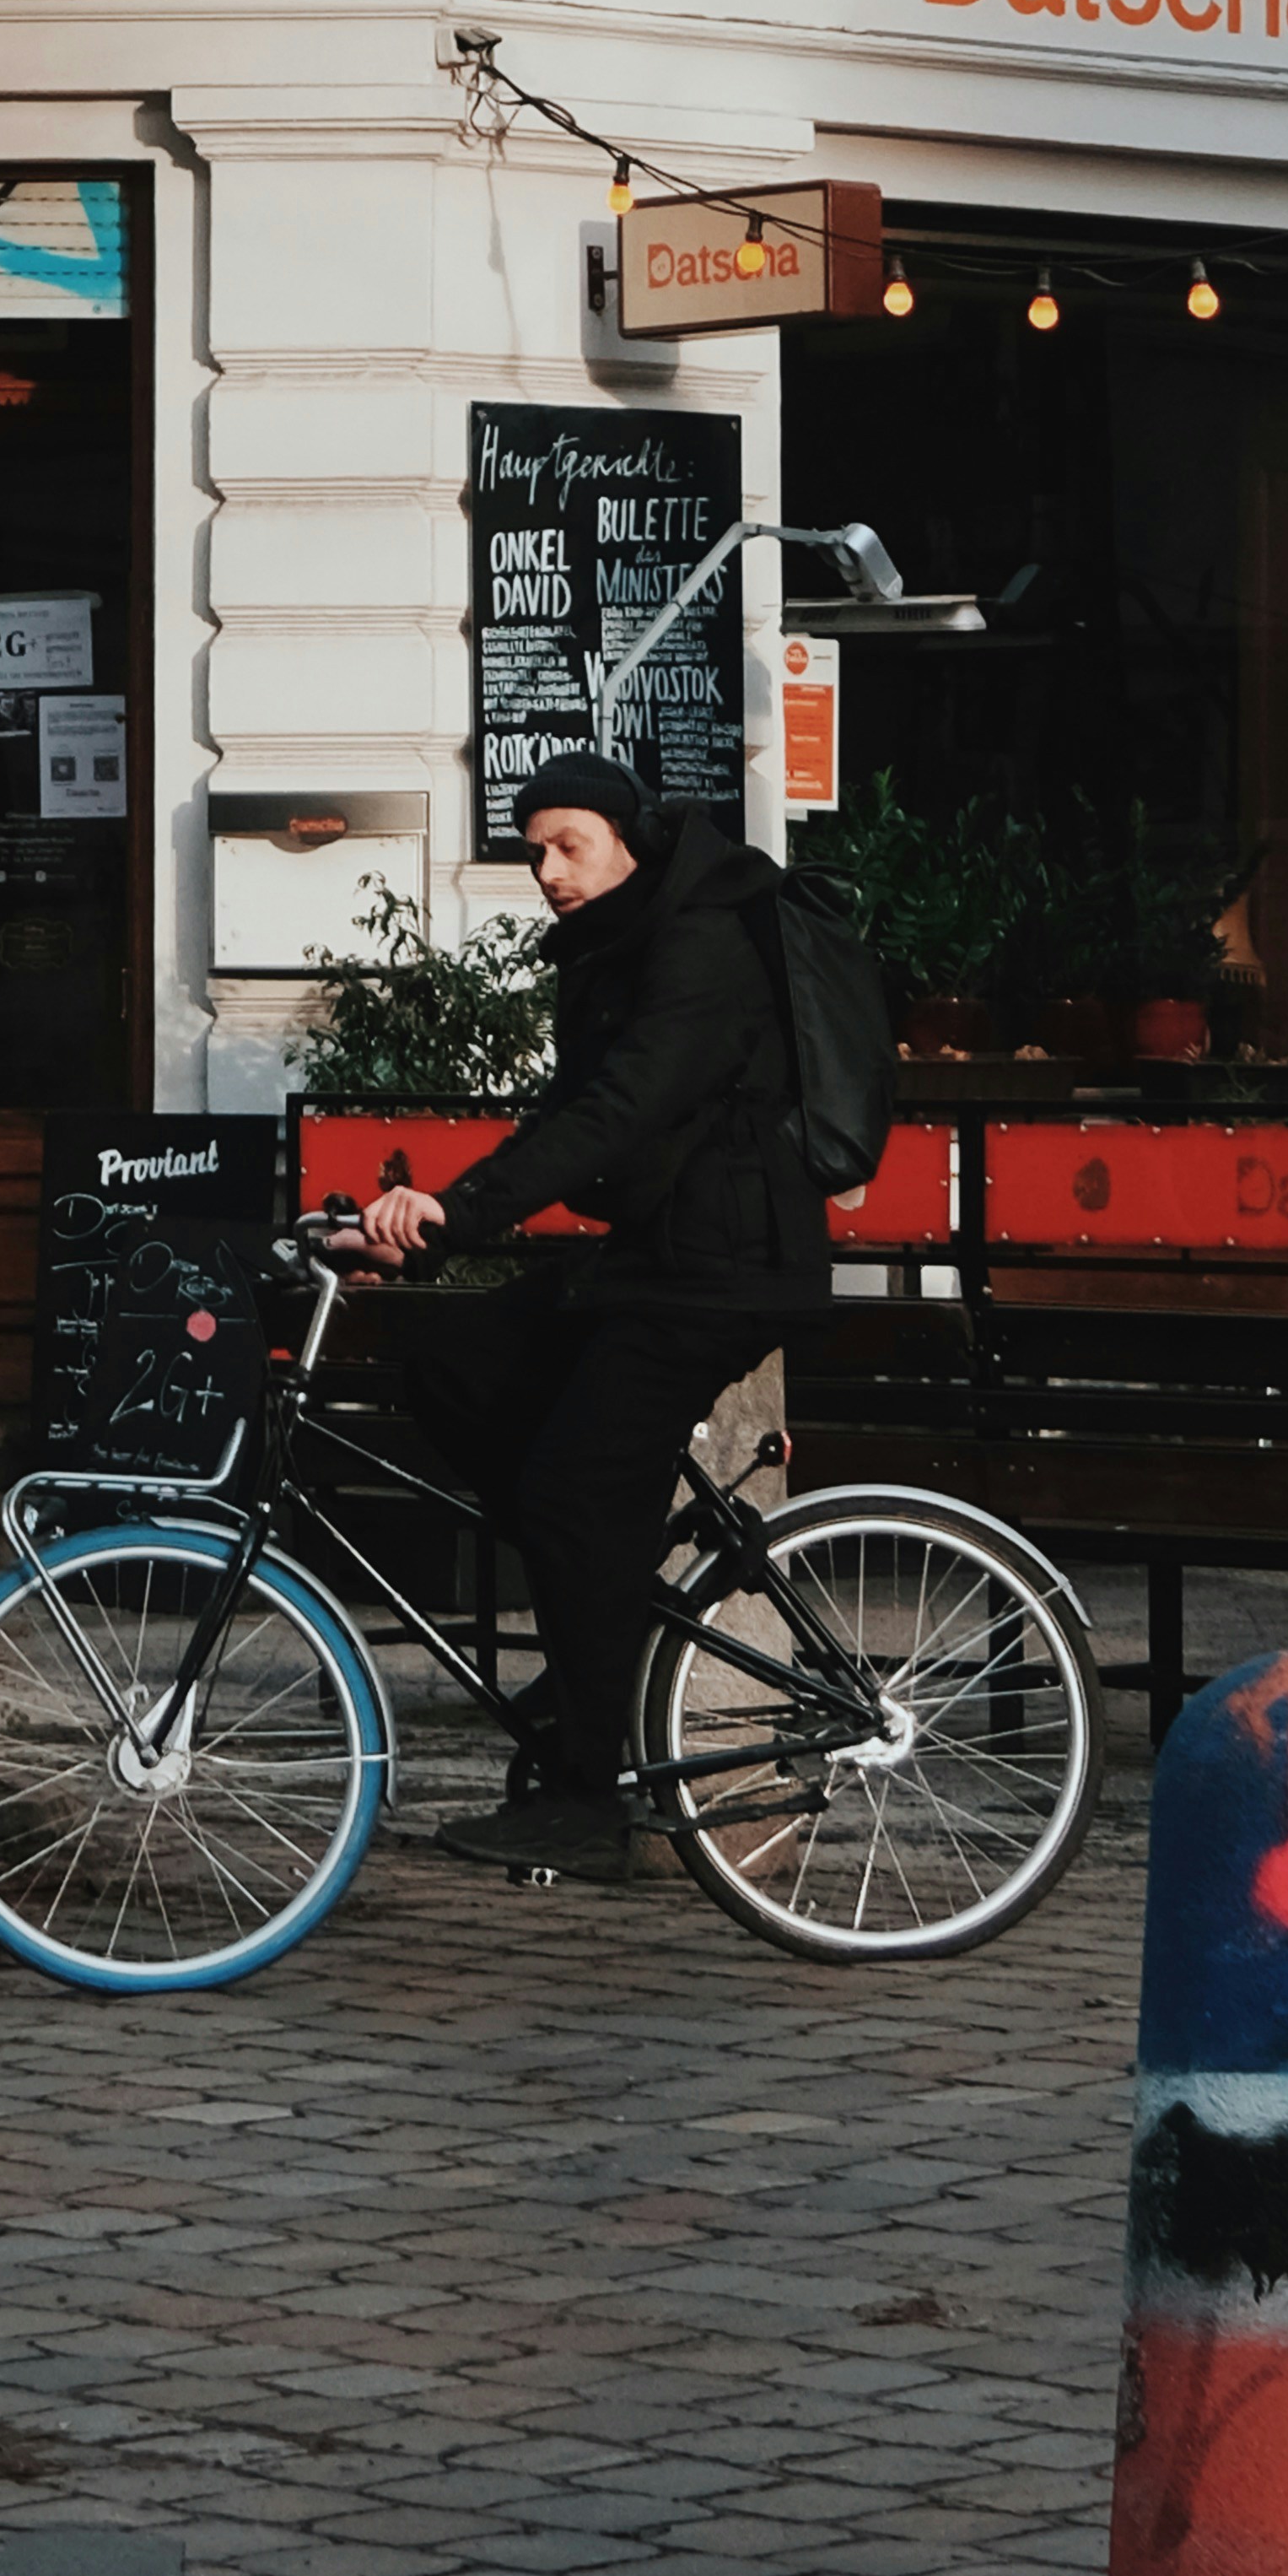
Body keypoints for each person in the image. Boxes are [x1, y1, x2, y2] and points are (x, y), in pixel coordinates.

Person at [346, 748, 832, 1882]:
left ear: (628, 839)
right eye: (533, 852)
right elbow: (562, 1117)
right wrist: (418, 1219)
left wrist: (457, 1217)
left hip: (726, 1265)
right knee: (455, 1364)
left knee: (574, 1488)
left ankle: (587, 1797)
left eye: (570, 846)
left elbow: (619, 1113)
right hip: (654, 1256)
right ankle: (593, 1622)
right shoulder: (612, 945)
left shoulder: (702, 941)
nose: (549, 871)